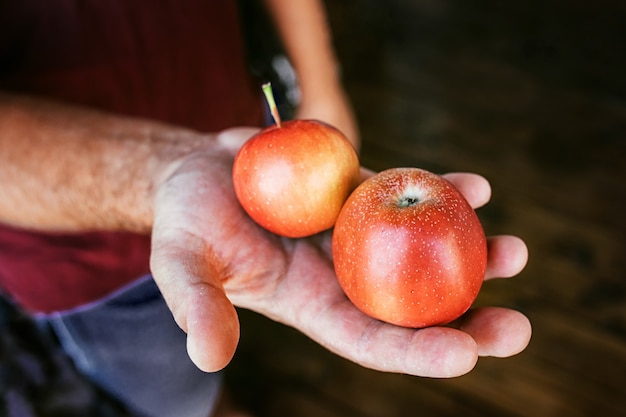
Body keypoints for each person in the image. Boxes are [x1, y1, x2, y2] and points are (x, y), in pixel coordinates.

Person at [0, 0, 532, 416]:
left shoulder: (278, 155)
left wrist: (322, 81)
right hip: (75, 255)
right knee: (173, 396)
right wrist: (161, 174)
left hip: (243, 146)